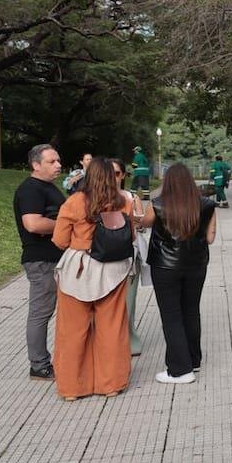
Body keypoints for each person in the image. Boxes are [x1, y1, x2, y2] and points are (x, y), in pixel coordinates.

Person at [51, 158, 137, 400]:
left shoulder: (75, 202)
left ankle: (72, 388)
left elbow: (59, 240)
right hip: (113, 270)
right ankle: (111, 384)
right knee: (112, 327)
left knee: (72, 329)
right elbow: (128, 236)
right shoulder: (122, 202)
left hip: (78, 270)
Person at [143, 164, 215, 383]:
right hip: (196, 265)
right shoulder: (207, 205)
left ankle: (180, 370)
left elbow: (144, 222)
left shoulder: (157, 204)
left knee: (171, 316)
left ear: (168, 182)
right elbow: (210, 238)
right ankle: (193, 360)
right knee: (191, 311)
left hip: (165, 266)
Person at [14, 144, 65, 382]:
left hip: (56, 258)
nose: (58, 165)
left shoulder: (47, 187)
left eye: (58, 161)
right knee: (40, 313)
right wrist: (67, 225)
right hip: (42, 261)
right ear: (36, 164)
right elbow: (33, 224)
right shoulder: (30, 189)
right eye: (51, 162)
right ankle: (39, 365)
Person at [111, 158, 147, 356]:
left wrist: (137, 221)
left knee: (128, 301)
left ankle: (129, 337)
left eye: (117, 173)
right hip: (103, 256)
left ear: (123, 175)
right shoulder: (95, 197)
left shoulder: (132, 197)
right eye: (109, 173)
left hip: (129, 254)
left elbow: (141, 222)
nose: (113, 178)